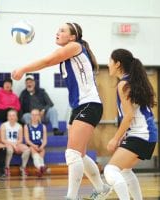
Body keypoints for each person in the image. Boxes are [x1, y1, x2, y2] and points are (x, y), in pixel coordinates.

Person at [12, 22, 109, 200]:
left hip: (90, 104)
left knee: (71, 154)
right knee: (79, 154)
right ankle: (101, 188)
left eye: (62, 30)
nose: (58, 32)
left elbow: (48, 61)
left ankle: (72, 197)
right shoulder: (70, 52)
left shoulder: (74, 46)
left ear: (73, 37)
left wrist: (23, 69)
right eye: (58, 30)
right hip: (80, 106)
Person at [103, 49, 158, 200]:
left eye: (110, 61)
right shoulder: (131, 81)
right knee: (125, 170)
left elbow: (129, 116)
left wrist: (115, 138)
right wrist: (124, 135)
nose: (109, 65)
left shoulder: (124, 84)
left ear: (118, 64)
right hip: (146, 134)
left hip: (141, 134)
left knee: (110, 170)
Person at [0, 109, 30, 177]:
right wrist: (12, 144)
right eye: (10, 115)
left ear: (16, 117)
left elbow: (20, 139)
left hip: (17, 143)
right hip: (7, 143)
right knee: (9, 150)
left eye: (13, 115)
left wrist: (15, 144)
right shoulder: (4, 125)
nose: (11, 117)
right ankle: (7, 167)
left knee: (27, 149)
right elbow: (2, 139)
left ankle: (23, 167)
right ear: (7, 117)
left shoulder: (19, 126)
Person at [24, 109, 48, 177]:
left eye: (36, 115)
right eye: (33, 115)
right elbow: (27, 140)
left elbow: (45, 140)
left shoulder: (43, 126)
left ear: (39, 116)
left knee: (42, 151)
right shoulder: (27, 126)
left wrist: (42, 146)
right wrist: (34, 145)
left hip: (40, 145)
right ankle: (41, 167)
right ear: (30, 116)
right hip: (31, 145)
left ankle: (40, 169)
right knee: (33, 150)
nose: (34, 116)